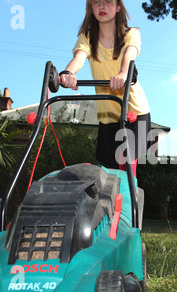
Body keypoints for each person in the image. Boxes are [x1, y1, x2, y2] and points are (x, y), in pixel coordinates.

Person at [60, 0, 151, 177]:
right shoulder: (87, 38)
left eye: (108, 1)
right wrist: (67, 73)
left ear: (118, 7)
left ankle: (129, 202)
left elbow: (129, 54)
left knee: (127, 164)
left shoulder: (131, 34)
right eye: (96, 2)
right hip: (108, 115)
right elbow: (79, 56)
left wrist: (123, 73)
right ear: (91, 8)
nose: (101, 6)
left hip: (134, 111)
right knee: (110, 173)